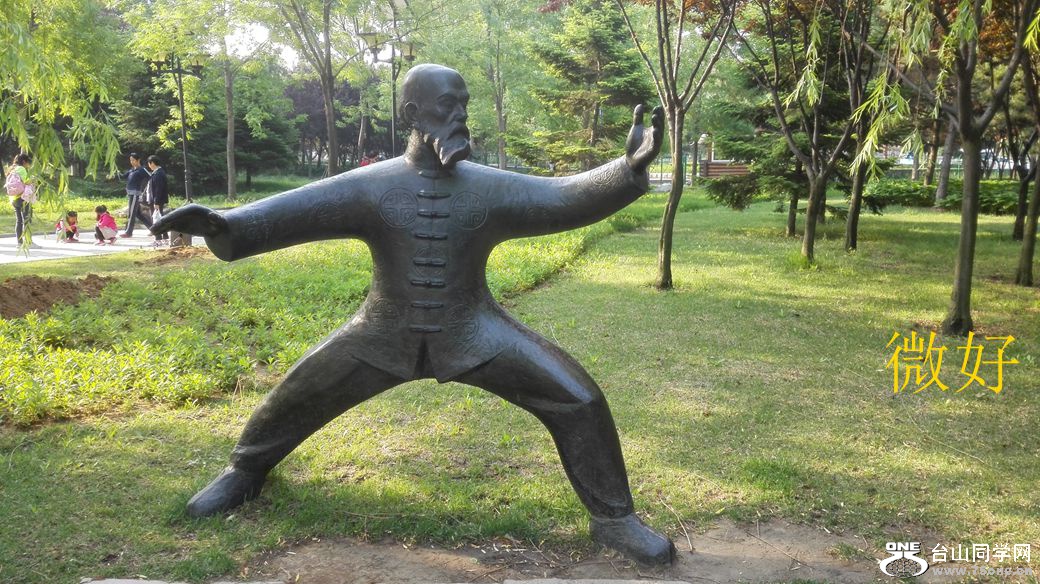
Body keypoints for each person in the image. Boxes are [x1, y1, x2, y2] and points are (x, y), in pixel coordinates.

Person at [153, 64, 674, 566]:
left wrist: (626, 169)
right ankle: (244, 472)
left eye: (464, 104)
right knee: (298, 394)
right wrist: (223, 225)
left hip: (473, 332)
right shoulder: (370, 185)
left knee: (578, 398)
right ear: (412, 114)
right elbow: (294, 211)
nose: (460, 115)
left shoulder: (488, 187)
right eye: (448, 105)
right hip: (381, 333)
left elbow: (561, 199)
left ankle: (614, 519)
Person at [117, 153, 152, 237]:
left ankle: (128, 233)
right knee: (138, 214)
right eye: (130, 160)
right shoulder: (132, 170)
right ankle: (154, 228)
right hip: (130, 194)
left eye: (133, 160)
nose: (131, 162)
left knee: (131, 213)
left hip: (135, 195)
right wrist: (115, 173)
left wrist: (146, 190)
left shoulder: (142, 170)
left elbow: (151, 177)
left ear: (138, 160)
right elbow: (123, 176)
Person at [6, 153, 33, 244]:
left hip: (13, 199)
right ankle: (28, 242)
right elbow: (27, 181)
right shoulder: (21, 168)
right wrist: (34, 180)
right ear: (24, 162)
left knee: (19, 221)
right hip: (22, 197)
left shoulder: (12, 169)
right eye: (28, 162)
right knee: (27, 220)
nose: (28, 164)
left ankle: (19, 242)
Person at [145, 155, 169, 245]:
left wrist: (156, 202)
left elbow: (159, 189)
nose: (149, 165)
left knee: (156, 220)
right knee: (160, 219)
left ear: (152, 163)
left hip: (157, 200)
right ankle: (165, 238)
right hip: (156, 200)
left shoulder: (158, 174)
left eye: (149, 163)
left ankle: (158, 239)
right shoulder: (157, 172)